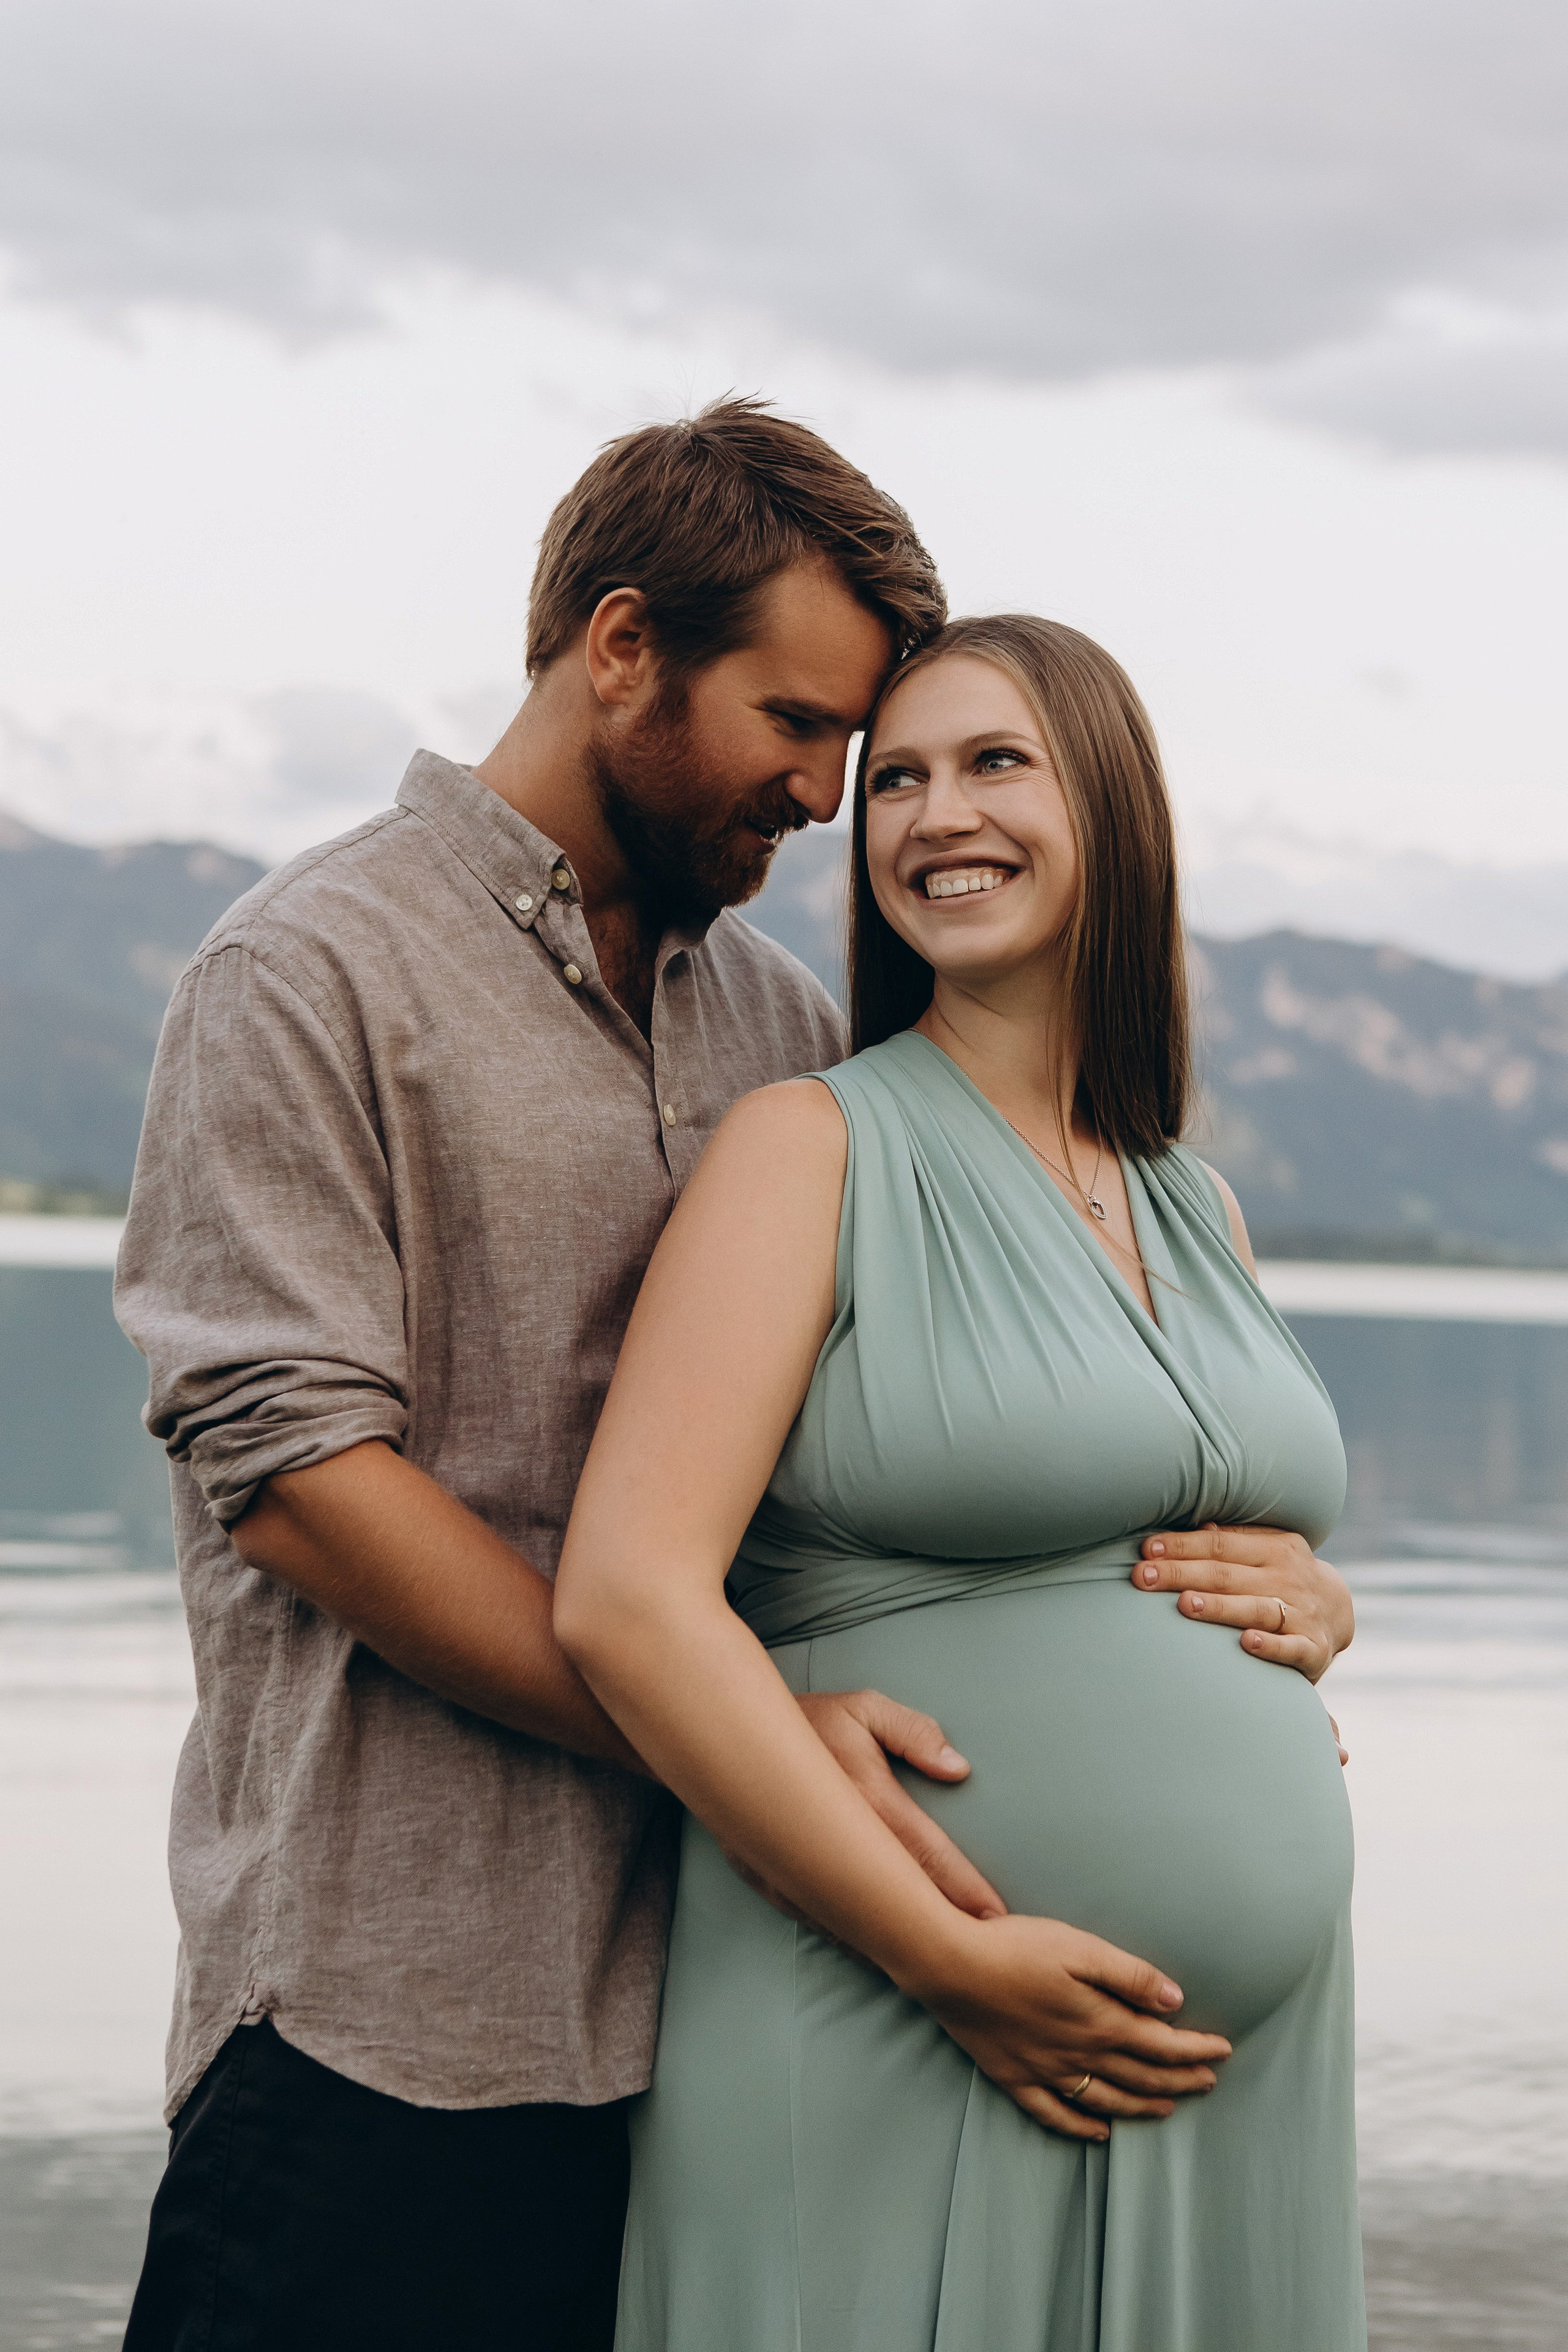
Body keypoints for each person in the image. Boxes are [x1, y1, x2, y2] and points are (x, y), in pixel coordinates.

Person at [112, 398, 990, 2351]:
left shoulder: (788, 1025)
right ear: (620, 648)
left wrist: (1254, 1583)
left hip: (729, 2024)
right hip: (384, 2029)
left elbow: (906, 1435)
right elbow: (303, 1486)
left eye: (853, 742)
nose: (830, 797)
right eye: (793, 723)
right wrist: (734, 1726)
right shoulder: (304, 975)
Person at [555, 613, 1366, 2351]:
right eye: (898, 780)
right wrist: (943, 1957)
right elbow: (629, 1593)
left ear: (1114, 811)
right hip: (896, 2009)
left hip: (1231, 2080)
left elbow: (1187, 1534)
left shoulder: (1189, 1202)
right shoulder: (813, 1147)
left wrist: (1315, 1605)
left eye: (996, 762)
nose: (934, 817)